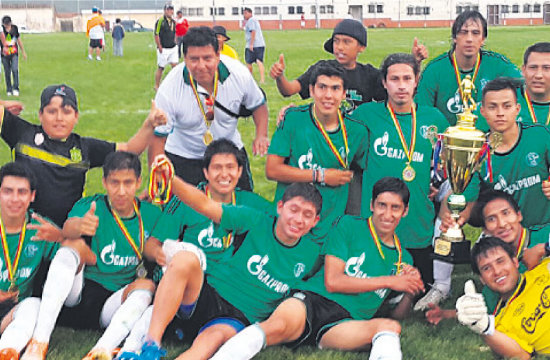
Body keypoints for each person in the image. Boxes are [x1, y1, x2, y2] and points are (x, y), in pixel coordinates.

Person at [210, 177, 424, 360]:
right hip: (312, 301)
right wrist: (389, 281)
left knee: (389, 328)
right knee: (276, 327)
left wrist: (408, 292)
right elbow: (333, 281)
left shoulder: (403, 258)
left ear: (405, 212)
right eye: (382, 205)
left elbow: (398, 316)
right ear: (371, 205)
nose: (387, 214)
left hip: (345, 322)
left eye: (395, 207)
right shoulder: (349, 225)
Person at [138, 159, 323, 360]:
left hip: (237, 317)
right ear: (280, 207)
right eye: (293, 210)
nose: (298, 219)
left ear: (316, 221)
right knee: (184, 258)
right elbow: (205, 204)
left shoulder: (312, 253)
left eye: (307, 215)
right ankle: (151, 346)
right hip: (209, 293)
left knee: (210, 341)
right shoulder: (256, 220)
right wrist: (170, 179)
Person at [114, 139, 274, 359]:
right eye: (217, 168)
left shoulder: (250, 203)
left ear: (239, 172)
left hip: (224, 291)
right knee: (186, 259)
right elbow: (152, 245)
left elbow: (284, 219)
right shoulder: (184, 201)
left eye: (230, 168)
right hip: (186, 280)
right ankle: (144, 346)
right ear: (206, 172)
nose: (224, 174)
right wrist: (161, 255)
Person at [416, 76, 550, 310]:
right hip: (506, 234)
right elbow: (466, 198)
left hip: (544, 229)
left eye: (506, 106)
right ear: (482, 111)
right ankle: (441, 287)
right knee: (496, 290)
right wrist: (454, 218)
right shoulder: (478, 151)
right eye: (493, 106)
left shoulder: (541, 136)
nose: (500, 113)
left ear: (517, 109)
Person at [21, 152, 161, 360]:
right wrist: (80, 225)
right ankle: (38, 343)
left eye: (128, 183)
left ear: (139, 182)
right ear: (104, 182)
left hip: (113, 303)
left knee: (147, 285)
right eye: (114, 183)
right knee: (72, 244)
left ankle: (101, 350)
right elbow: (68, 228)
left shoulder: (152, 214)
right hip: (77, 296)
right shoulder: (91, 205)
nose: (121, 191)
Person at [0, 84, 165, 228]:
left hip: (70, 232)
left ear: (76, 116)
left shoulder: (85, 147)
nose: (59, 118)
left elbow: (129, 149)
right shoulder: (22, 133)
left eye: (66, 112)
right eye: (51, 111)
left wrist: (149, 125)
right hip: (26, 231)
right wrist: (3, 104)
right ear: (40, 114)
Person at [352, 53, 448, 289]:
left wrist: (438, 183)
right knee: (375, 291)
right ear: (384, 82)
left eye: (407, 78)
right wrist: (293, 111)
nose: (401, 86)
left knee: (418, 287)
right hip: (375, 226)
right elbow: (332, 126)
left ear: (417, 81)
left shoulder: (434, 119)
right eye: (394, 79)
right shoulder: (365, 116)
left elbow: (446, 164)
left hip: (418, 225)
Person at [150, 26, 268, 192]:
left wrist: (261, 135)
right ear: (184, 58)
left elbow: (258, 105)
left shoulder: (238, 74)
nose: (201, 65)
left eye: (207, 58)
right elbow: (158, 138)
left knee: (241, 210)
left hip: (228, 154)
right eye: (194, 59)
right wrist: (158, 170)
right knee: (183, 215)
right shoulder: (170, 87)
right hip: (184, 157)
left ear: (218, 55)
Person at [266, 60, 368, 237]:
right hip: (292, 224)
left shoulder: (357, 131)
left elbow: (368, 171)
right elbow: (272, 170)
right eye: (322, 87)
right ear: (311, 90)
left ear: (344, 94)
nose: (328, 95)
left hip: (331, 227)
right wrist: (320, 176)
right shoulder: (293, 119)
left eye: (335, 89)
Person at [424, 190, 550, 325]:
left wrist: (545, 248)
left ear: (519, 215)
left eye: (506, 213)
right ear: (485, 230)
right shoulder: (495, 264)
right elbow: (485, 307)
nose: (501, 223)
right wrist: (445, 314)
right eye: (491, 219)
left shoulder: (544, 235)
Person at [270, 18, 427, 113]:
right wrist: (280, 77)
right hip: (327, 133)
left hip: (357, 137)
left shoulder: (370, 74)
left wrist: (415, 62)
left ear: (361, 47)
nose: (339, 47)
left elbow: (401, 93)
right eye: (336, 41)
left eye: (347, 42)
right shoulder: (321, 70)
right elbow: (289, 90)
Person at [0, 162, 63, 359]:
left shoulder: (41, 228)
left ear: (32, 196)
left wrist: (61, 237)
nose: (15, 199)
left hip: (13, 313)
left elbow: (72, 262)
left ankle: (7, 351)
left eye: (22, 192)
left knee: (34, 305)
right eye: (8, 191)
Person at [416, 10, 521, 126]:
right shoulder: (434, 70)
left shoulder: (499, 65)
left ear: (483, 39)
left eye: (475, 33)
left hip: (488, 140)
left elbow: (526, 89)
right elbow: (422, 113)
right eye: (464, 32)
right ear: (455, 37)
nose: (469, 39)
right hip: (447, 140)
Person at [455, 236, 550, 359]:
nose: (497, 271)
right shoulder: (500, 325)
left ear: (515, 262)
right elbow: (522, 356)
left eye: (500, 261)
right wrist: (481, 325)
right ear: (482, 279)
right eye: (486, 268)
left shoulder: (542, 268)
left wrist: (545, 247)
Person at [154, 4, 178, 91]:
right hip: (163, 48)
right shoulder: (160, 21)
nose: (170, 12)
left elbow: (174, 32)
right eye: (168, 10)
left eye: (171, 10)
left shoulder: (173, 22)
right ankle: (157, 85)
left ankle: (174, 84)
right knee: (161, 67)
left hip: (173, 47)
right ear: (165, 11)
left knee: (175, 66)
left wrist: (175, 41)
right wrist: (159, 45)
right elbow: (156, 34)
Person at [0, 16, 26, 97]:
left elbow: (19, 40)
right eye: (5, 25)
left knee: (15, 70)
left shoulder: (14, 29)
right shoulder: (1, 30)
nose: (6, 26)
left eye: (7, 25)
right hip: (4, 54)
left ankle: (16, 88)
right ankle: (9, 89)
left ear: (10, 23)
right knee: (7, 72)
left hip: (14, 53)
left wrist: (23, 51)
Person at [243, 8, 265, 83]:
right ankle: (262, 79)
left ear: (250, 13)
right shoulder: (255, 20)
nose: (244, 15)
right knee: (259, 61)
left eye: (245, 13)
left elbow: (253, 32)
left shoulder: (251, 21)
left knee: (249, 62)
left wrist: (251, 44)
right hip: (260, 44)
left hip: (253, 45)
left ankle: (250, 79)